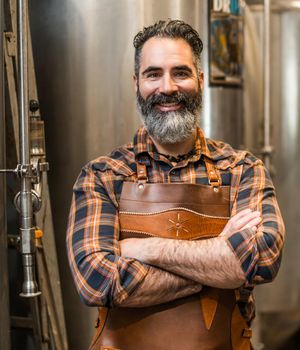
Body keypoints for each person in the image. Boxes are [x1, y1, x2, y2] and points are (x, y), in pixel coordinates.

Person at [66, 19, 285, 350]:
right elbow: (98, 281)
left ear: (199, 80)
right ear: (136, 82)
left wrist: (145, 248)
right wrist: (215, 265)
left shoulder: (242, 170)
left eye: (180, 73)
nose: (167, 87)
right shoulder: (103, 176)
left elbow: (260, 260)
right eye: (153, 74)